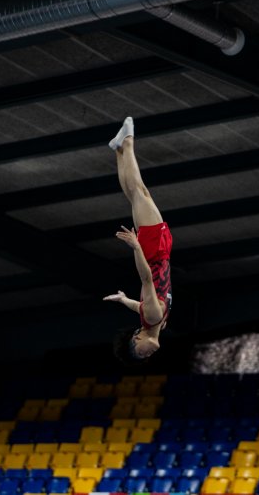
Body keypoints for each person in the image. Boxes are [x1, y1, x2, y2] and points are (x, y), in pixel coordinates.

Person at [104, 117, 173, 364]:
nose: (147, 354)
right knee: (135, 196)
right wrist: (124, 301)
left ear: (137, 338)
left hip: (155, 252)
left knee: (140, 192)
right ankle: (119, 148)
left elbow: (146, 279)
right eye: (144, 357)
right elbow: (140, 306)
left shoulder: (155, 319)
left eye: (140, 352)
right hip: (156, 251)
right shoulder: (154, 322)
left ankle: (128, 141)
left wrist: (136, 247)